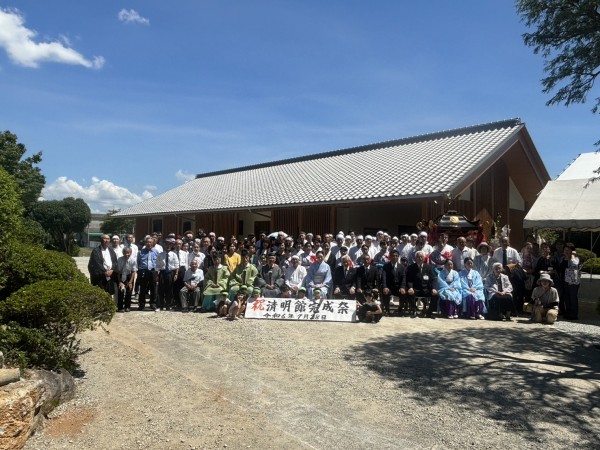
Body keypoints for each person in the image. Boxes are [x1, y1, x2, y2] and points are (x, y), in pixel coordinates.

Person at [403, 251, 439, 318]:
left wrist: (434, 288)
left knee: (436, 294)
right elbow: (409, 280)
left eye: (421, 257)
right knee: (409, 293)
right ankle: (414, 310)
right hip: (416, 289)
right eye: (418, 257)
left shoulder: (429, 267)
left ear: (424, 258)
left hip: (426, 289)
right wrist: (410, 288)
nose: (420, 258)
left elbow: (434, 279)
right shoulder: (411, 267)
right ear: (415, 258)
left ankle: (430, 312)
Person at [137, 236, 158, 311]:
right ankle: (141, 304)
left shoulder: (156, 251)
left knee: (153, 288)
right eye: (147, 242)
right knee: (142, 288)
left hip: (153, 271)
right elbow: (138, 262)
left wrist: (157, 272)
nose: (149, 243)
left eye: (150, 242)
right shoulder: (140, 252)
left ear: (153, 243)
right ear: (145, 243)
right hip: (143, 271)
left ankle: (153, 303)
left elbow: (158, 262)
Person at [381, 249, 406, 316]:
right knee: (384, 292)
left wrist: (402, 287)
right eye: (393, 256)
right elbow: (384, 278)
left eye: (396, 256)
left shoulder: (402, 267)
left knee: (404, 292)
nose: (395, 257)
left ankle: (400, 309)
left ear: (398, 257)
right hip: (389, 287)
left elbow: (403, 278)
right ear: (390, 257)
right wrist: (385, 287)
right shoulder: (386, 266)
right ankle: (387, 310)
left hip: (398, 287)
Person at [560, 243, 580, 320]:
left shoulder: (575, 259)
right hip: (564, 280)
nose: (567, 251)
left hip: (573, 281)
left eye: (569, 250)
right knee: (566, 297)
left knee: (573, 297)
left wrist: (572, 256)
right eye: (565, 250)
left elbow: (574, 265)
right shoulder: (562, 258)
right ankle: (568, 312)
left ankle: (574, 314)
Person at [115, 246, 137, 312]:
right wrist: (120, 282)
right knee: (121, 292)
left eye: (128, 253)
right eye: (125, 253)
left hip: (129, 276)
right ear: (123, 253)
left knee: (129, 291)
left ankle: (127, 307)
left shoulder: (133, 260)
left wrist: (130, 282)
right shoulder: (120, 259)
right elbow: (118, 272)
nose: (126, 254)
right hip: (121, 276)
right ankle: (120, 307)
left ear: (131, 253)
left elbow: (133, 271)